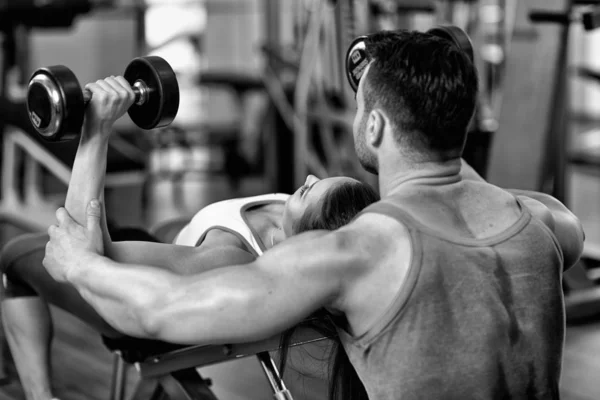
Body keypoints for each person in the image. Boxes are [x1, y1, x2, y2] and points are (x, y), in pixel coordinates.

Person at [43, 29, 585, 399]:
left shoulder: (354, 251)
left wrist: (79, 265)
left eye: (359, 108)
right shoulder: (546, 222)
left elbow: (160, 311)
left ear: (373, 127)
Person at [0, 75, 379, 400]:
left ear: (303, 241)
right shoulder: (300, 221)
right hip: (159, 246)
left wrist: (96, 131)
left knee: (13, 255)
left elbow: (83, 244)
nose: (309, 179)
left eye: (309, 192)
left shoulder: (230, 259)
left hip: (124, 298)